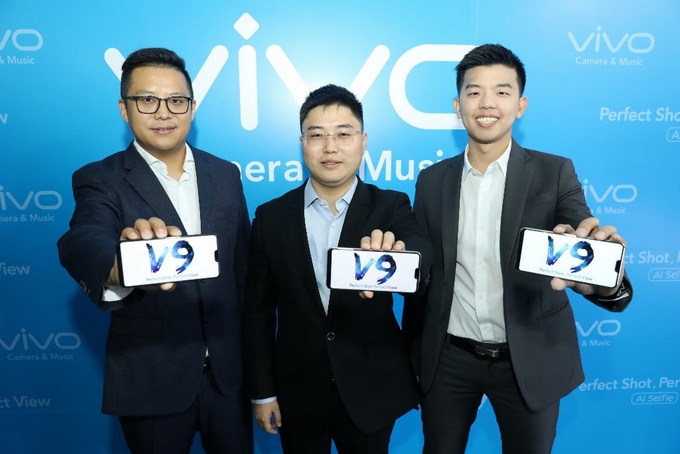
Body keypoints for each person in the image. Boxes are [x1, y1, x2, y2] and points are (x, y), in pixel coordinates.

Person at [405, 44, 633, 454]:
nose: (487, 103)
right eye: (474, 92)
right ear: (458, 106)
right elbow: (424, 275)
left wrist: (599, 264)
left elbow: (581, 233)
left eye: (502, 91)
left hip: (530, 358)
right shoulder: (432, 180)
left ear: (520, 105)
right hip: (449, 359)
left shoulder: (553, 171)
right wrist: (415, 357)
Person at [57, 47, 253, 454]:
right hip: (151, 380)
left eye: (176, 100)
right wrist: (125, 265)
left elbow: (243, 273)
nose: (164, 113)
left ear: (192, 107)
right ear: (124, 109)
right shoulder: (100, 178)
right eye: (147, 100)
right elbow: (84, 238)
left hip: (228, 380)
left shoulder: (225, 174)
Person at [242, 84, 432, 454]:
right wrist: (262, 392)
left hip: (370, 389)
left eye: (343, 134)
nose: (330, 147)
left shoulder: (391, 206)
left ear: (363, 141)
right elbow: (257, 314)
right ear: (303, 143)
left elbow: (419, 250)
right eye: (317, 135)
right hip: (297, 391)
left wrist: (402, 257)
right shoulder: (270, 217)